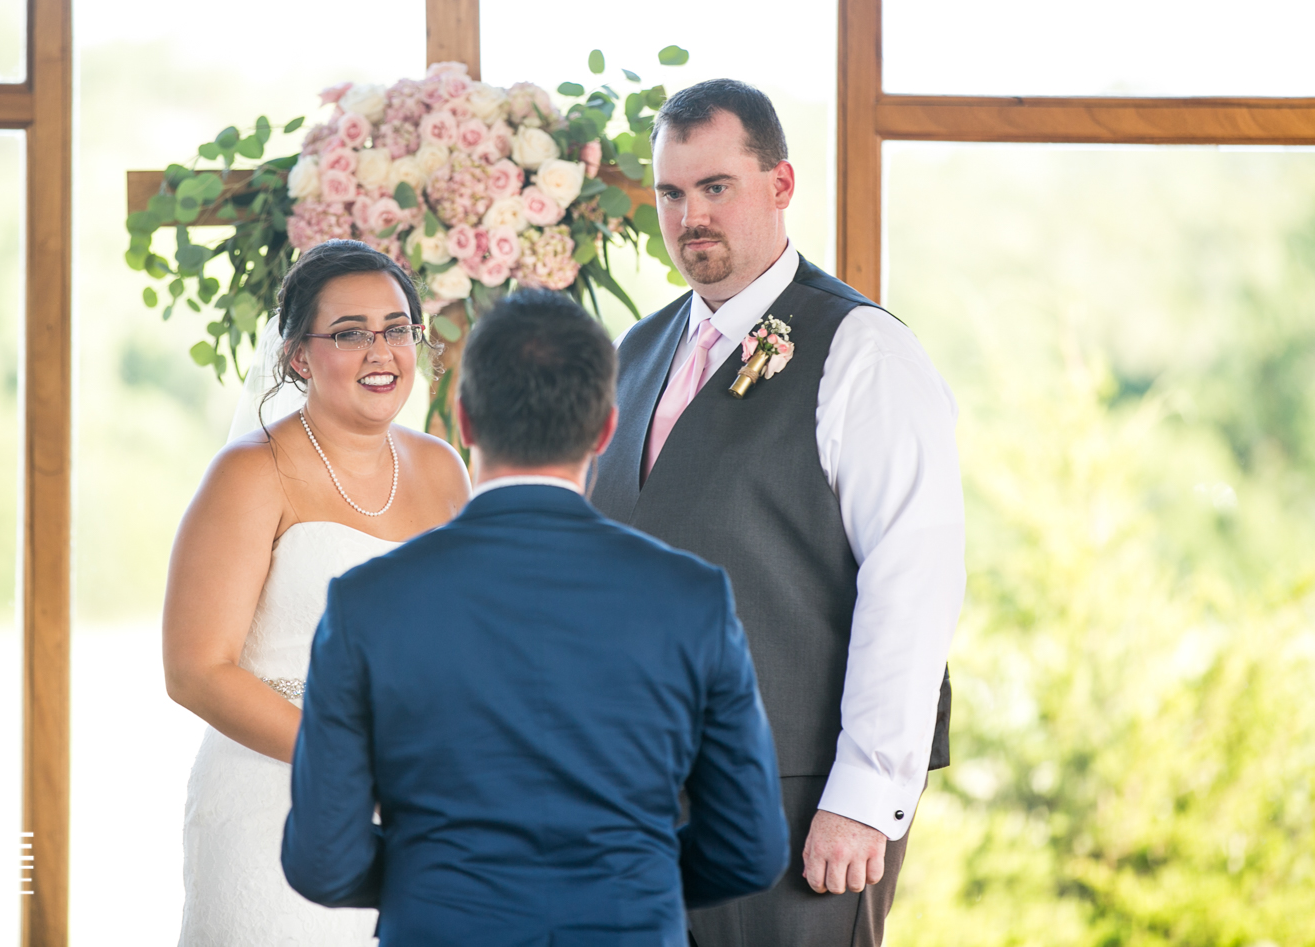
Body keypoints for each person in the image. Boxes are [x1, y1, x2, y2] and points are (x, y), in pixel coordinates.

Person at [281, 289, 791, 946]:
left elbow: (323, 861)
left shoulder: (366, 603)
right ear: (606, 428)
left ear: (464, 420)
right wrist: (630, 879)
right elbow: (749, 846)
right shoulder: (692, 597)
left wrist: (430, 875)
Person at [591, 80, 965, 947]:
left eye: (716, 186)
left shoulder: (863, 351)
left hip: (792, 808)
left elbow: (913, 584)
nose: (691, 216)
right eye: (672, 193)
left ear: (781, 185)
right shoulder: (633, 353)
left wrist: (867, 797)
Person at [163, 240, 472, 946]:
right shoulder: (249, 473)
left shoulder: (442, 468)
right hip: (272, 799)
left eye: (397, 328)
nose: (381, 351)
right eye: (350, 333)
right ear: (299, 354)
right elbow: (193, 668)